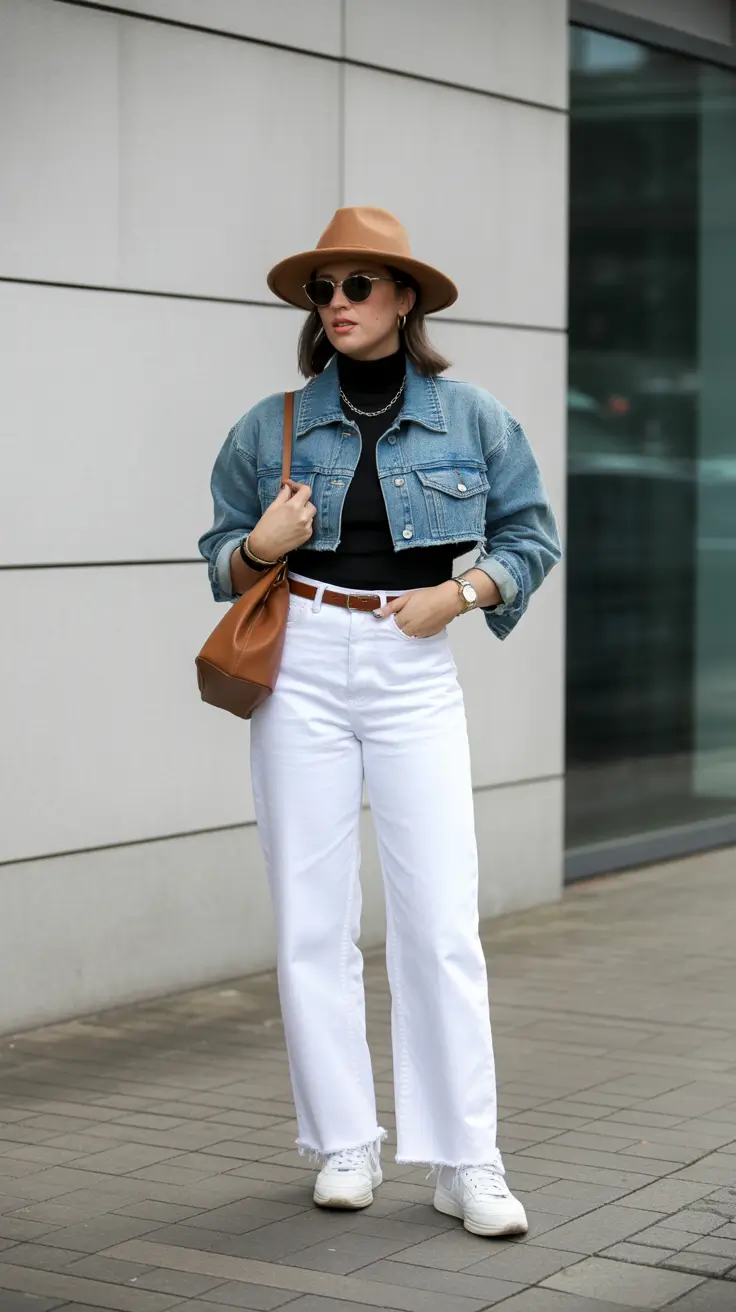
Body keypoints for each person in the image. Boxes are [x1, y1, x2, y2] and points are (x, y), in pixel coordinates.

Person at [199, 207, 561, 1237]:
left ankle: (464, 1158)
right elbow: (219, 551)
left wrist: (460, 594)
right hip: (301, 661)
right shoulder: (269, 422)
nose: (339, 305)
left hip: (412, 663)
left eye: (359, 286)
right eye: (325, 290)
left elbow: (531, 535)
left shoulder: (471, 416)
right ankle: (343, 1141)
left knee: (439, 920)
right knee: (312, 916)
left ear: (405, 297)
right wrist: (261, 543)